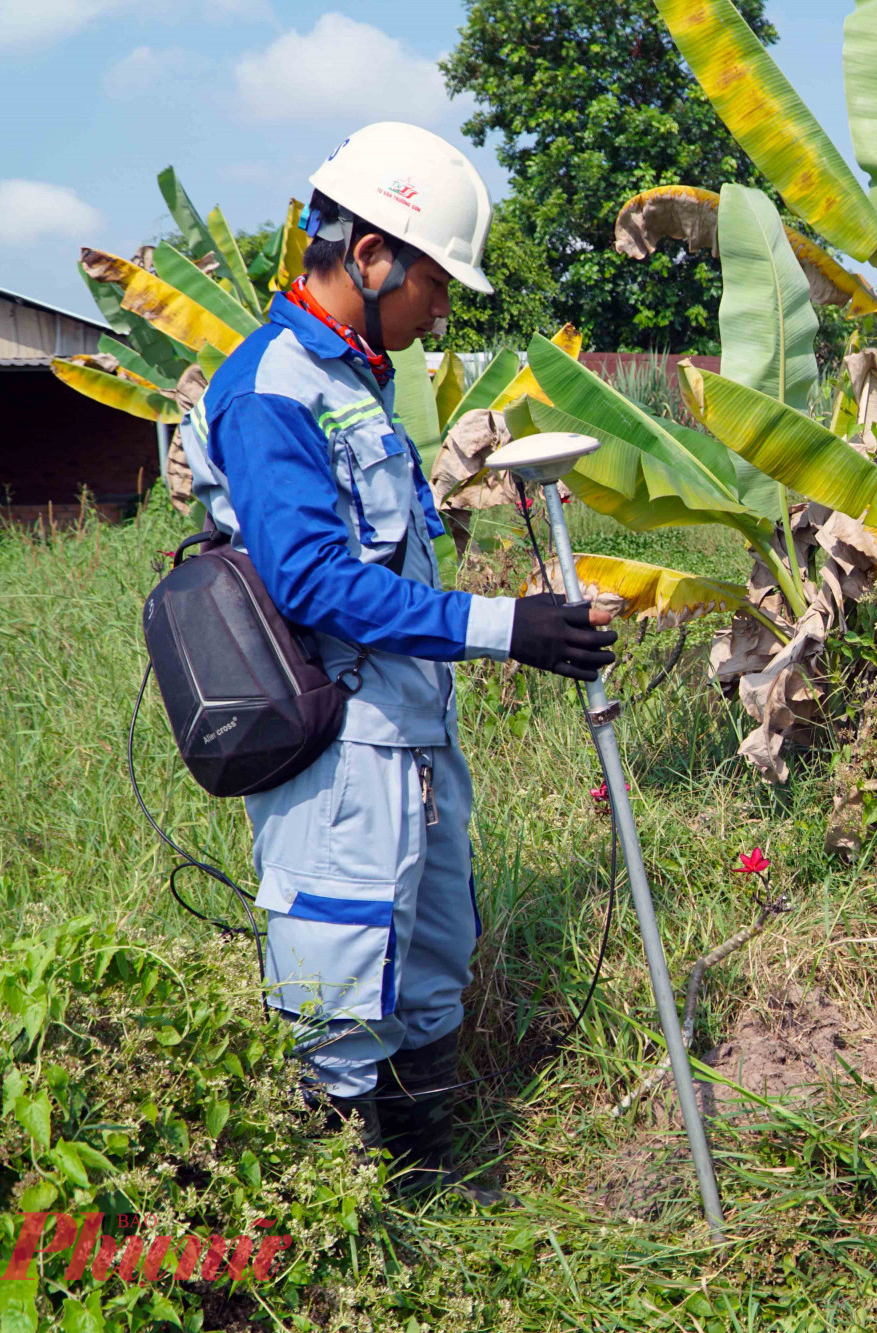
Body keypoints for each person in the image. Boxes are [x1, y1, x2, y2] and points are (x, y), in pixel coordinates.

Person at [182, 122, 620, 1193]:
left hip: (414, 739)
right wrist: (505, 629)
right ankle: (347, 1240)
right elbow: (314, 582)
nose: (442, 310)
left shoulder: (356, 379)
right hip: (337, 756)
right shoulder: (273, 387)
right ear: (369, 255)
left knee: (427, 973)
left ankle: (431, 1195)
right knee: (336, 999)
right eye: (435, 281)